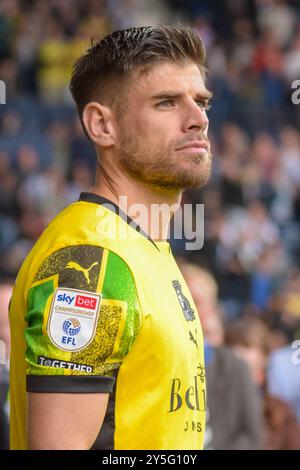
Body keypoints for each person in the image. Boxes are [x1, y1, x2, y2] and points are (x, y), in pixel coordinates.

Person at [9, 26, 213, 450]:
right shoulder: (91, 260)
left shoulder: (144, 249)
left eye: (202, 101)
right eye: (166, 102)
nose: (199, 118)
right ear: (102, 124)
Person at [179, 263, 263, 449]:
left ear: (211, 309)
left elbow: (252, 435)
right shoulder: (155, 362)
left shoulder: (235, 368)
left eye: (196, 301)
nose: (186, 309)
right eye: (181, 300)